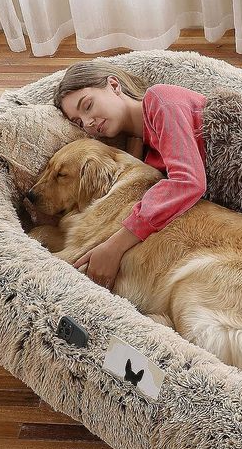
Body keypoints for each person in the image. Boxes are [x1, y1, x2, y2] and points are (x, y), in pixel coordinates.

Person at [54, 60, 208, 290]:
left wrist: (114, 246)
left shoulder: (160, 100)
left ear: (114, 85)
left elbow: (188, 182)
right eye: (79, 122)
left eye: (87, 106)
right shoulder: (140, 149)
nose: (88, 123)